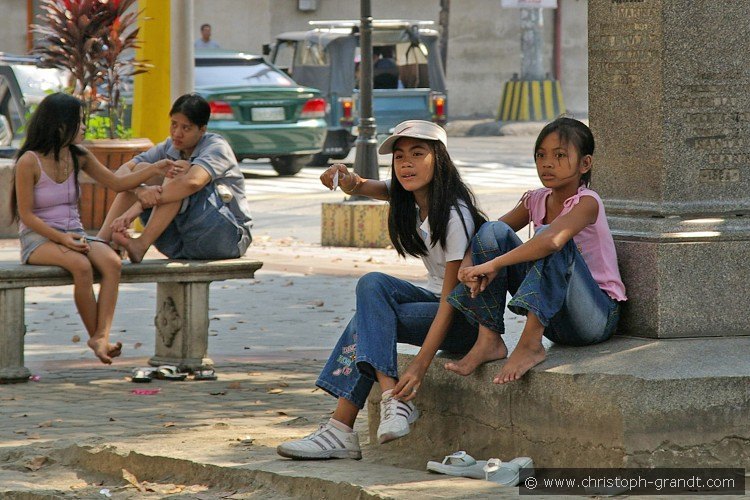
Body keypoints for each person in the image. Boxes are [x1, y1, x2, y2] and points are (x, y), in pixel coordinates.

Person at [276, 120, 486, 460]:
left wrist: (419, 365)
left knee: (368, 319)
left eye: (418, 154)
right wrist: (344, 178)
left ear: (439, 159)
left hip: (464, 317)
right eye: (400, 156)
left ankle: (344, 427)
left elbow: (453, 299)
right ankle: (383, 405)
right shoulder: (413, 197)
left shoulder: (454, 212)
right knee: (371, 284)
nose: (406, 164)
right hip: (432, 303)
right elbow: (363, 186)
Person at [444, 117, 627, 384]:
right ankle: (489, 338)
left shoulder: (588, 202)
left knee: (549, 238)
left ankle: (530, 345)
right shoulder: (535, 199)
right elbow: (487, 235)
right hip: (552, 318)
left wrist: (494, 265)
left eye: (560, 155)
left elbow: (552, 241)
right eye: (541, 155)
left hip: (594, 319)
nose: (547, 163)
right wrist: (469, 264)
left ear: (585, 163)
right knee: (493, 230)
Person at [13, 93, 174, 364]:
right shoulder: (29, 161)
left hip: (74, 233)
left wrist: (155, 168)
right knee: (82, 266)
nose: (84, 127)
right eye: (79, 121)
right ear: (60, 124)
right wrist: (63, 239)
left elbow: (117, 183)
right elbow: (27, 215)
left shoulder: (79, 155)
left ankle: (101, 336)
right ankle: (98, 339)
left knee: (112, 263)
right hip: (38, 238)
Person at [96, 93, 252, 263]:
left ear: (202, 130)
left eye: (186, 128)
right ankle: (101, 242)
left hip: (225, 238)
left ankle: (141, 244)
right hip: (180, 242)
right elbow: (120, 176)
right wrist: (140, 189)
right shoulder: (169, 146)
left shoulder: (216, 146)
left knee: (178, 172)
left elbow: (193, 182)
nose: (177, 133)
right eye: (174, 125)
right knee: (142, 170)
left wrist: (139, 206)